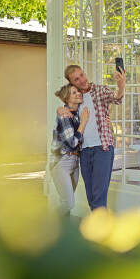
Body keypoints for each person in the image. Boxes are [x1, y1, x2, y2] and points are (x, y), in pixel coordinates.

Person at [57, 64, 125, 211]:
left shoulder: (101, 90)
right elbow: (66, 113)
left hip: (103, 148)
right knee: (92, 197)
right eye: (76, 79)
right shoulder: (76, 99)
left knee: (98, 196)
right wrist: (60, 109)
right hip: (84, 152)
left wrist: (121, 85)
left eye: (82, 75)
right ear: (72, 83)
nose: (81, 80)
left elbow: (117, 98)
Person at [50, 84, 89, 216]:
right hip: (62, 161)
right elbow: (72, 142)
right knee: (68, 203)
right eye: (74, 93)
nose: (78, 93)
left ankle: (61, 233)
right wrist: (83, 124)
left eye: (78, 91)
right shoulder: (65, 116)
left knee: (66, 203)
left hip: (74, 161)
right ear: (67, 98)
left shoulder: (77, 114)